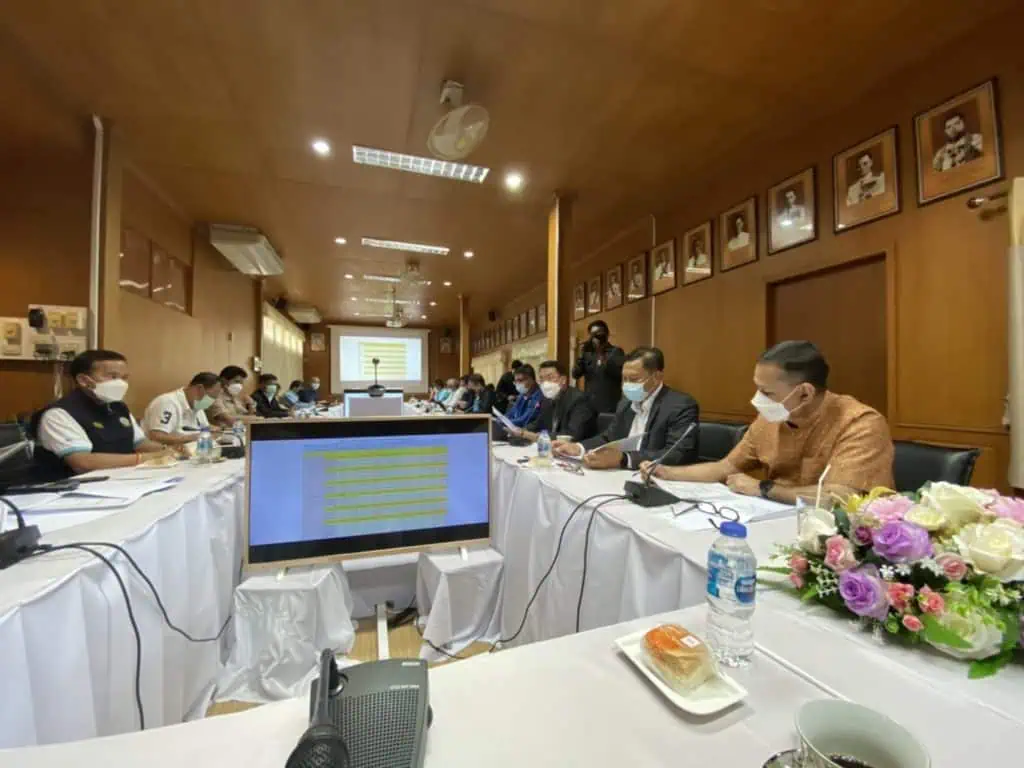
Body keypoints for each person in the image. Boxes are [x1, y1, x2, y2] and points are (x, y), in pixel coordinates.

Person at [642, 340, 894, 502]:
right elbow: (725, 467)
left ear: (804, 393)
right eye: (758, 389)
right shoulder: (769, 419)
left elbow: (840, 498)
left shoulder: (859, 423)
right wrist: (666, 472)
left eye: (768, 393)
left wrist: (764, 488)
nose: (758, 399)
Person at [31, 349, 169, 479]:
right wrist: (145, 458)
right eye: (113, 376)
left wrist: (171, 450)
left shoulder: (117, 407)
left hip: (120, 480)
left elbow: (139, 443)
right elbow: (83, 463)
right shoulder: (59, 414)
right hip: (71, 489)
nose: (120, 383)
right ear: (84, 380)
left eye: (124, 378)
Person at [555, 347, 699, 470]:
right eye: (624, 379)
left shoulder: (680, 405)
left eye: (634, 379)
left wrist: (624, 459)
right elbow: (609, 437)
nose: (627, 385)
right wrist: (578, 448)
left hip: (656, 479)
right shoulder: (625, 403)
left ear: (657, 377)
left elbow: (677, 454)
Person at [514, 360, 596, 443]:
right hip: (552, 448)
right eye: (542, 379)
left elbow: (573, 434)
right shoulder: (546, 399)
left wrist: (538, 436)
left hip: (579, 451)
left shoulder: (579, 400)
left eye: (550, 377)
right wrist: (521, 431)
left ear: (563, 380)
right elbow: (538, 423)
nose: (545, 383)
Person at [143, 372, 222, 446]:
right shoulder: (167, 403)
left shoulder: (197, 405)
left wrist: (214, 430)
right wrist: (189, 439)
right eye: (212, 397)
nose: (212, 401)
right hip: (166, 455)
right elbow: (156, 436)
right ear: (199, 388)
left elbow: (203, 427)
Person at [572, 320, 625, 414]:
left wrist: (601, 352)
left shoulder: (616, 352)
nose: (596, 337)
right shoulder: (588, 354)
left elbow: (617, 374)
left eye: (599, 334)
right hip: (589, 406)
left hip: (609, 406)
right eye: (593, 334)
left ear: (607, 334)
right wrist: (581, 355)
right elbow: (575, 374)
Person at [503, 364, 544, 432]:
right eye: (515, 381)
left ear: (531, 379)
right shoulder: (522, 395)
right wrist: (501, 419)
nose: (517, 384)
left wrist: (505, 422)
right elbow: (511, 412)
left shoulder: (539, 395)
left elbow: (525, 419)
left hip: (531, 433)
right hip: (517, 431)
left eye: (520, 380)